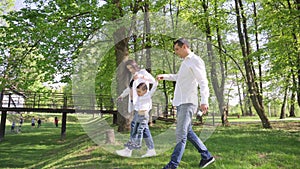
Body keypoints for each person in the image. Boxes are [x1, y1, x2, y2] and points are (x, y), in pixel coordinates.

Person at [157, 38, 215, 169]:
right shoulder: (185, 62)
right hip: (181, 102)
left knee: (180, 135)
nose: (176, 52)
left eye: (177, 49)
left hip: (188, 102)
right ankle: (206, 156)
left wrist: (204, 101)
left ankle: (173, 165)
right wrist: (165, 76)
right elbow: (179, 77)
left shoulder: (195, 60)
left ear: (184, 46)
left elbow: (203, 81)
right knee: (187, 132)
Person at [116, 59, 156, 158]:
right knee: (144, 129)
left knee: (135, 126)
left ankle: (128, 150)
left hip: (143, 105)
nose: (130, 70)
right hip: (136, 105)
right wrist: (122, 95)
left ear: (134, 66)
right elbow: (130, 88)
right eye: (128, 69)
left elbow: (153, 81)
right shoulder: (133, 76)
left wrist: (142, 77)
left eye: (130, 68)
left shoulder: (142, 72)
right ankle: (151, 150)